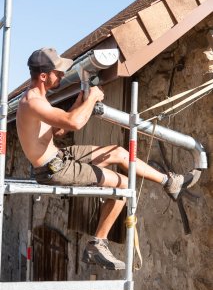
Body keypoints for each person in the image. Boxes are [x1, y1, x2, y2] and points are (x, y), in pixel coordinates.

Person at [16, 47, 192, 270]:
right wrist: (93, 99)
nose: (61, 75)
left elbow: (58, 131)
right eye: (57, 72)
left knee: (118, 152)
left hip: (60, 157)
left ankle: (169, 182)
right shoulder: (32, 102)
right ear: (43, 76)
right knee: (125, 184)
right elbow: (75, 123)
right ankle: (97, 244)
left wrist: (81, 101)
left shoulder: (41, 99)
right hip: (53, 169)